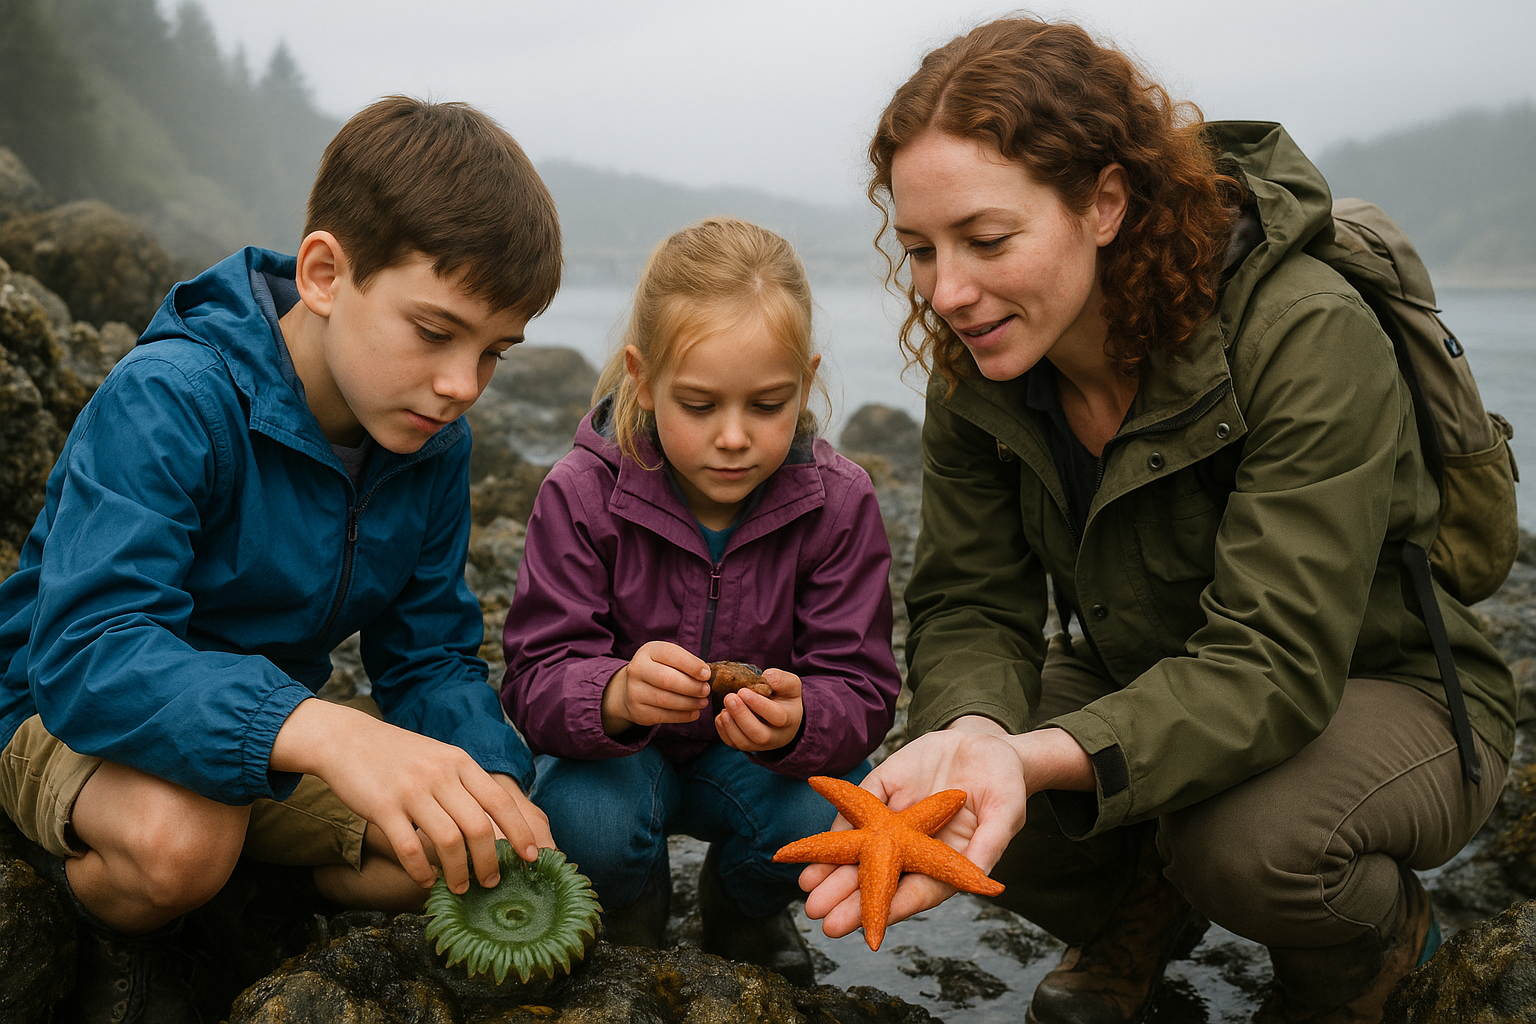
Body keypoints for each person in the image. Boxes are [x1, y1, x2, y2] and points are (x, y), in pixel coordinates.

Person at [797, 18, 1515, 1024]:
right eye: (919, 248)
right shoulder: (981, 363)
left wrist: (1040, 753)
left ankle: (1374, 950)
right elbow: (968, 600)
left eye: (987, 239)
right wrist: (971, 733)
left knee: (1252, 842)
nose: (947, 292)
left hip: (1384, 686)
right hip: (1151, 675)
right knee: (960, 781)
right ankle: (1144, 902)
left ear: (1104, 201)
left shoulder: (1304, 331)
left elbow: (1272, 658)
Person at [0, 96, 560, 1023]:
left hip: (259, 733)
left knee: (452, 848)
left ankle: (249, 905)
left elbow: (426, 655)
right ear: (326, 273)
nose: (463, 386)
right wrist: (337, 732)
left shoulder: (430, 443)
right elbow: (88, 652)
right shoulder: (172, 399)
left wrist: (491, 775)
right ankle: (106, 927)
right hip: (63, 715)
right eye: (434, 332)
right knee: (181, 839)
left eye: (494, 351)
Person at [500, 216, 902, 986]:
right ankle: (626, 894)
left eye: (766, 405)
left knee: (831, 809)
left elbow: (864, 687)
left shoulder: (839, 502)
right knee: (583, 823)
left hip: (750, 765)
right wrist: (614, 693)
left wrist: (801, 719)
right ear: (642, 379)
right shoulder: (582, 493)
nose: (733, 437)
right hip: (619, 761)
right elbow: (533, 676)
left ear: (807, 383)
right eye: (699, 404)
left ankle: (742, 904)